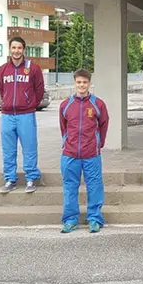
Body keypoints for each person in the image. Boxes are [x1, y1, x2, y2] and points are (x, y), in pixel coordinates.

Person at [59, 69, 109, 234]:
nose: (82, 85)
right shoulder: (65, 105)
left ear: (89, 84)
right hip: (70, 154)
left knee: (94, 186)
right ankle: (70, 219)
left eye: (85, 82)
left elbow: (103, 125)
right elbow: (63, 127)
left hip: (91, 154)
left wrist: (98, 144)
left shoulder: (98, 104)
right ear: (75, 83)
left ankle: (94, 219)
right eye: (79, 82)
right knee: (69, 187)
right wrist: (67, 142)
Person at [0, 36, 45, 194]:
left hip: (26, 115)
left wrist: (30, 104)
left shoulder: (33, 69)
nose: (16, 51)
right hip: (7, 116)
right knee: (8, 150)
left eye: (19, 48)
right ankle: (10, 179)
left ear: (24, 50)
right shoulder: (3, 70)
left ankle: (31, 178)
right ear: (10, 49)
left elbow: (39, 90)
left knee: (29, 147)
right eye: (14, 48)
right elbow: (2, 90)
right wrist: (7, 102)